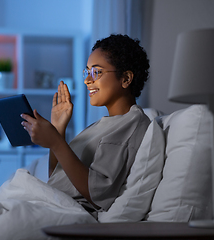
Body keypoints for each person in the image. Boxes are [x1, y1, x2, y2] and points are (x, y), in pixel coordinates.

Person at [21, 34, 151, 218]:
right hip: (51, 204)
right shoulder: (103, 125)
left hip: (66, 213)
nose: (87, 80)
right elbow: (57, 178)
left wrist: (56, 142)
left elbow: (98, 193)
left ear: (126, 78)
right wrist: (58, 129)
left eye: (97, 72)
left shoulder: (131, 124)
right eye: (86, 72)